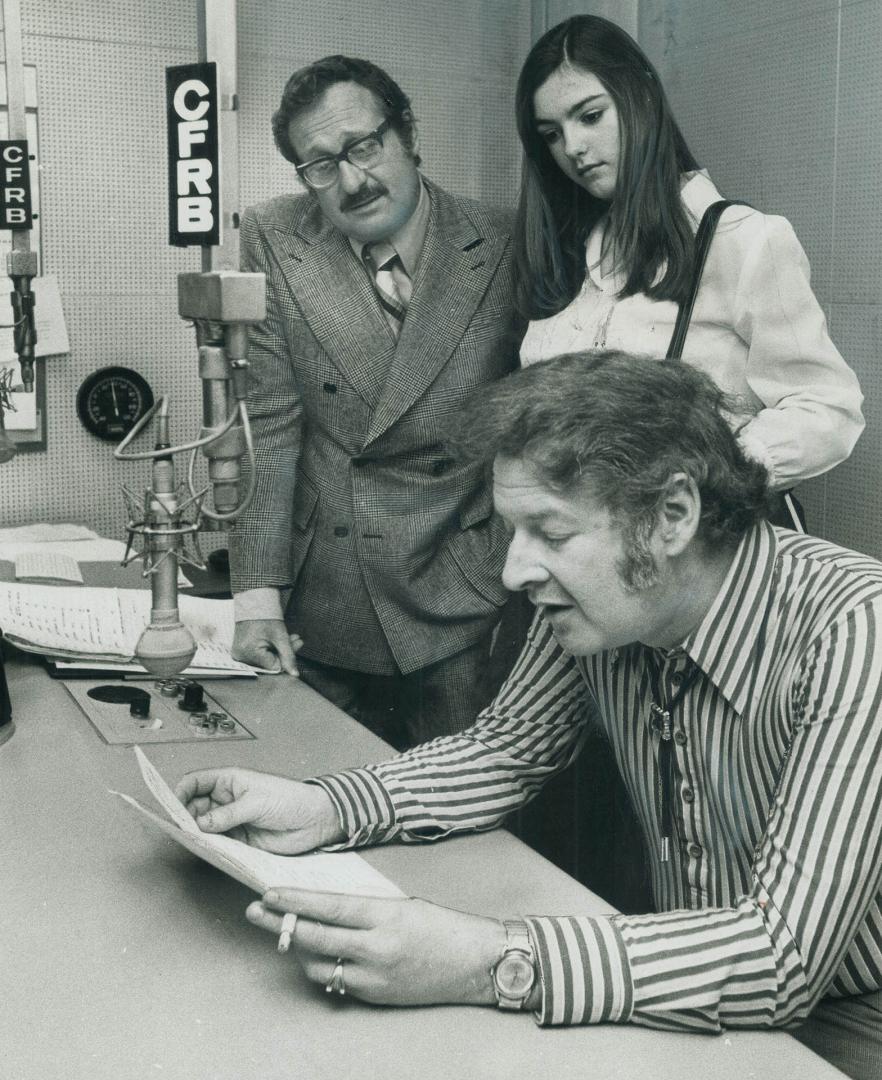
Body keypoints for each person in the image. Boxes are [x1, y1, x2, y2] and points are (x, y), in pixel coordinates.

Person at [178, 352, 882, 1080]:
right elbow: (504, 751)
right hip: (699, 997)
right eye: (513, 533)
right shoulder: (611, 604)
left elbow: (783, 955)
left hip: (854, 1018)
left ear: (672, 516)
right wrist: (323, 804)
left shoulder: (858, 631)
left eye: (550, 533)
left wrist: (489, 960)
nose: (516, 572)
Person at [230, 55, 522, 748]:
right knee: (315, 809)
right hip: (323, 601)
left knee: (458, 827)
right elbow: (266, 427)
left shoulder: (507, 241)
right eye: (321, 165)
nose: (353, 180)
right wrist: (255, 598)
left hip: (458, 596)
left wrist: (502, 565)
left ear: (407, 133)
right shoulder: (273, 236)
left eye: (365, 146)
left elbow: (537, 425)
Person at [514, 15, 863, 507]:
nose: (573, 147)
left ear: (643, 98)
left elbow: (830, 408)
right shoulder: (566, 251)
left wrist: (714, 471)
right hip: (584, 551)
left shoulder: (741, 241)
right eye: (551, 134)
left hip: (696, 549)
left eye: (590, 116)